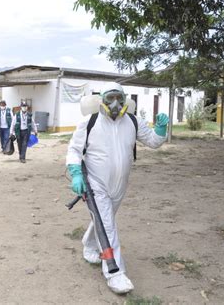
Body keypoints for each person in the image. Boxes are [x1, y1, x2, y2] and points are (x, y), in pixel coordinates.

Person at [66, 82, 169, 294]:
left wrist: (160, 129)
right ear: (101, 100)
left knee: (105, 219)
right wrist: (76, 174)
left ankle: (89, 243)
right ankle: (115, 272)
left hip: (120, 185)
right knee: (108, 225)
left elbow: (152, 142)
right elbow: (74, 150)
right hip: (96, 183)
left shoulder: (132, 121)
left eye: (119, 98)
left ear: (125, 100)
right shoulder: (90, 122)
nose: (115, 104)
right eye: (110, 98)